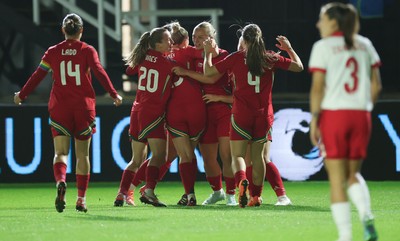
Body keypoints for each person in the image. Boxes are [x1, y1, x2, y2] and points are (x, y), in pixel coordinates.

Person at [13, 13, 123, 213]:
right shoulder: (88, 51)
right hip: (83, 108)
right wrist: (114, 94)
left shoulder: (53, 52)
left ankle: (61, 181)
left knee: (60, 153)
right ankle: (81, 199)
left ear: (63, 30)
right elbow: (99, 72)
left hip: (60, 108)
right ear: (81, 30)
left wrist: (22, 94)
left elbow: (38, 75)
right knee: (83, 155)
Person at [203, 24, 303, 208]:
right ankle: (255, 196)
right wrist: (288, 48)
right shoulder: (270, 57)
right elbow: (299, 67)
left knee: (238, 156)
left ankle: (242, 182)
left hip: (242, 114)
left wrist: (208, 53)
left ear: (245, 40)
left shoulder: (236, 58)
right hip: (263, 115)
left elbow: (209, 72)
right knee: (259, 158)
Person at [309, 3, 381, 241]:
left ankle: (346, 236)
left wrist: (315, 119)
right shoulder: (365, 44)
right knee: (353, 175)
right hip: (361, 115)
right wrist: (364, 107)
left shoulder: (323, 47)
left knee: (337, 179)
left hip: (335, 115)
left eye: (322, 19)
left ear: (334, 22)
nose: (318, 24)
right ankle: (367, 216)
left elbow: (318, 88)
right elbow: (376, 85)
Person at [113, 27, 175, 207]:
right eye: (168, 40)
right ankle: (149, 191)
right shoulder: (168, 64)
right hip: (153, 113)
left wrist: (146, 55)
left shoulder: (142, 58)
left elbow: (130, 70)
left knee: (136, 159)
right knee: (160, 156)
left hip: (137, 112)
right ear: (157, 44)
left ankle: (122, 193)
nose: (171, 43)